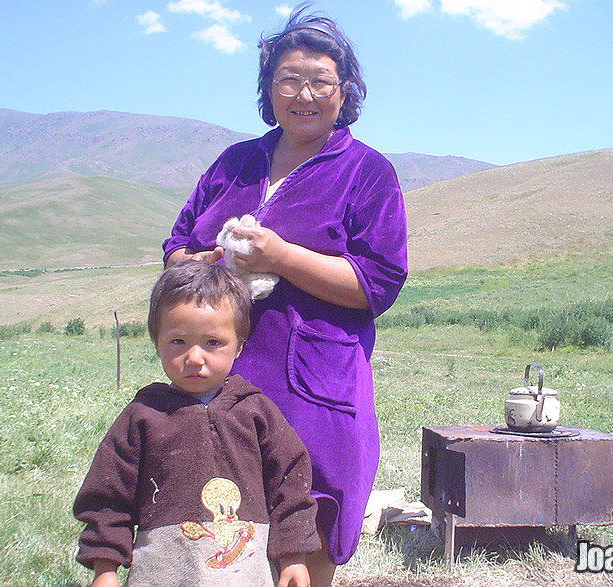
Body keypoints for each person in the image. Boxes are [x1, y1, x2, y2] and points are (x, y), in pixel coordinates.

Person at [162, 7, 407, 586]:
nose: (304, 93)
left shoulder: (367, 173)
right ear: (268, 89)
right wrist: (192, 265)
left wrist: (280, 259)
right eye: (289, 78)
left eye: (320, 80)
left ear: (343, 93)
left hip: (312, 388)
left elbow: (377, 282)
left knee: (308, 521)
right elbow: (176, 242)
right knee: (215, 523)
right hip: (215, 382)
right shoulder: (233, 163)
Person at [73, 260, 321, 587]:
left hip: (244, 572)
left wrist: (293, 557)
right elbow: (107, 497)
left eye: (212, 342)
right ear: (157, 343)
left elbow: (290, 484)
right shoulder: (142, 417)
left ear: (239, 346)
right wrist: (104, 570)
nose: (194, 358)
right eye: (178, 341)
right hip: (162, 570)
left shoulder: (256, 412)